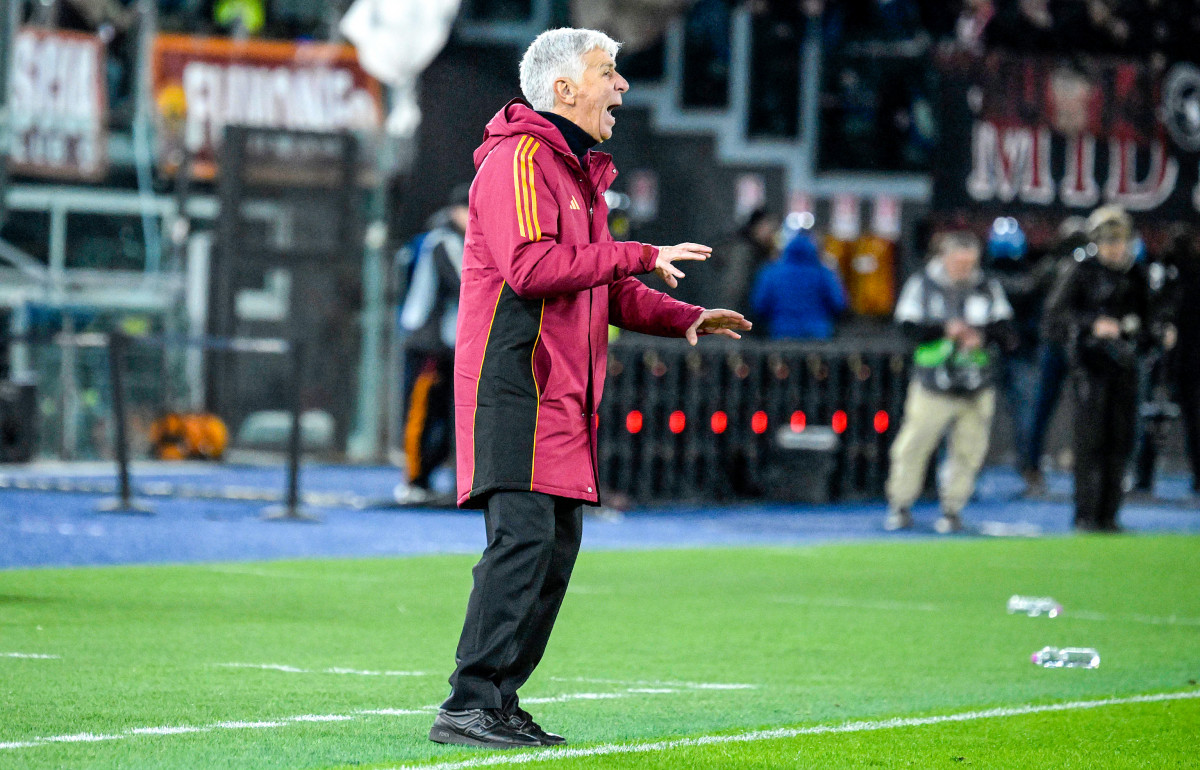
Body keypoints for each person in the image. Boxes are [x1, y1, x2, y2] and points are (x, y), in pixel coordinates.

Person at [430, 28, 751, 749]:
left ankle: (497, 702)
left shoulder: (578, 176)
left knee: (552, 552)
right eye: (608, 72)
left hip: (564, 395)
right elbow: (531, 268)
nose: (622, 86)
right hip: (515, 383)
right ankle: (468, 703)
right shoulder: (518, 157)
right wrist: (638, 252)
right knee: (522, 542)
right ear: (564, 88)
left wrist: (687, 317)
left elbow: (603, 287)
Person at [1043, 206, 1175, 531]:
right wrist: (1092, 324)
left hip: (1126, 367)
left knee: (1121, 440)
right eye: (1108, 241)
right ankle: (1086, 514)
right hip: (1089, 367)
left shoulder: (1136, 274)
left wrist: (1159, 331)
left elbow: (1150, 318)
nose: (1115, 247)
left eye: (1120, 240)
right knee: (1090, 441)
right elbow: (1054, 318)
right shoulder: (1080, 271)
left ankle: (1110, 515)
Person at [884, 231, 1015, 534]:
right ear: (944, 258)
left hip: (976, 383)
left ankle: (953, 508)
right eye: (959, 262)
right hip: (933, 384)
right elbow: (906, 328)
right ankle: (900, 504)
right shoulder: (922, 284)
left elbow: (1007, 331)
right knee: (914, 444)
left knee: (969, 449)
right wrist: (945, 330)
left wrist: (981, 337)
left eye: (970, 263)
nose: (964, 269)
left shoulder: (988, 287)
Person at [394, 185, 469, 504]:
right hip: (428, 344)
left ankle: (436, 478)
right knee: (421, 412)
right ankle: (414, 480)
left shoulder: (459, 241)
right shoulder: (443, 241)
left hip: (449, 344)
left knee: (446, 416)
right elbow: (463, 283)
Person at [1020, 217, 1089, 493]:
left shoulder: (1089, 269)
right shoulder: (1051, 267)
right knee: (1041, 408)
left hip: (1080, 345)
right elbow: (1033, 299)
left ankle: (1085, 469)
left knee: (1088, 410)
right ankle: (1032, 468)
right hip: (1055, 344)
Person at [749, 230, 847, 340]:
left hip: (781, 334)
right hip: (817, 335)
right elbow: (838, 303)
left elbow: (759, 305)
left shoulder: (771, 272)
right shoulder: (823, 273)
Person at [707, 207, 781, 315]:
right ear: (758, 227)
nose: (772, 234)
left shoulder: (757, 252)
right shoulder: (744, 252)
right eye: (771, 228)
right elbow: (735, 289)